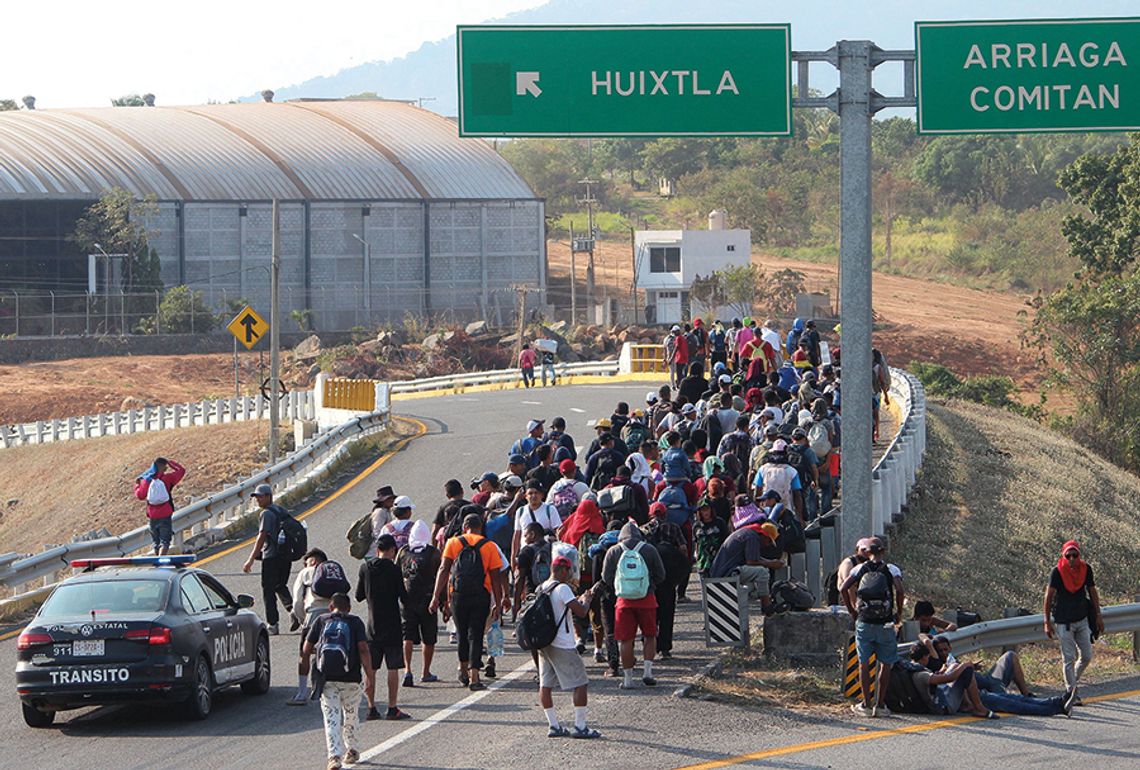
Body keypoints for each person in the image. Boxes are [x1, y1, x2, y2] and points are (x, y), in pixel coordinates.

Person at [430, 513, 504, 691]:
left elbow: (444, 569)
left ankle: (463, 671)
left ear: (464, 527)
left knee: (462, 633)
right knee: (476, 634)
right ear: (481, 528)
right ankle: (475, 677)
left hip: (458, 595)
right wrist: (499, 602)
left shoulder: (453, 543)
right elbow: (495, 577)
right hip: (481, 594)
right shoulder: (489, 546)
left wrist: (436, 597)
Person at [302, 593, 373, 770]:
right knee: (351, 714)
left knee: (331, 718)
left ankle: (334, 757)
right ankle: (352, 749)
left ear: (330, 607)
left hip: (326, 678)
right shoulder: (355, 622)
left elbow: (306, 648)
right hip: (351, 679)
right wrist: (369, 675)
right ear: (348, 608)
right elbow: (363, 649)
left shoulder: (321, 620)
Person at [536, 555, 602, 739]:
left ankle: (554, 726)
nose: (570, 575)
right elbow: (580, 612)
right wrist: (587, 600)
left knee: (546, 684)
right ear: (562, 570)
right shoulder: (562, 588)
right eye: (569, 571)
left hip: (544, 643)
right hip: (562, 644)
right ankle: (580, 726)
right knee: (580, 683)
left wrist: (577, 599)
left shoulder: (542, 587)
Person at [839, 537, 904, 717]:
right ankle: (880, 705)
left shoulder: (859, 568)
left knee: (863, 663)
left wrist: (852, 610)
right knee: (886, 664)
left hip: (864, 621)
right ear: (882, 552)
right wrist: (898, 612)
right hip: (885, 622)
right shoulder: (891, 569)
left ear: (868, 553)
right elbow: (899, 590)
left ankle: (866, 705)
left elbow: (843, 589)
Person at [601, 521, 667, 689]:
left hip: (623, 601)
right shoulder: (649, 549)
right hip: (647, 598)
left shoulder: (613, 551)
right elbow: (661, 575)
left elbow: (606, 577)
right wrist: (649, 585)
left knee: (625, 640)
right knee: (650, 635)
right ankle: (648, 672)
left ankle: (628, 679)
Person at [355, 534, 411, 721]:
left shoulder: (365, 568)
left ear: (377, 550)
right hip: (392, 624)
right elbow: (403, 596)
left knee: (370, 669)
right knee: (393, 667)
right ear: (392, 550)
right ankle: (392, 707)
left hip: (372, 625)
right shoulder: (395, 569)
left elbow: (359, 596)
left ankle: (371, 707)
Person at [288, 548, 351, 705]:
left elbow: (296, 600)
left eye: (306, 561)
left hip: (314, 614)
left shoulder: (306, 572)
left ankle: (302, 693)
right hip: (335, 614)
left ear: (313, 561)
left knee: (305, 652)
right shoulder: (334, 573)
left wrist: (302, 619)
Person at [1044, 539, 1103, 703]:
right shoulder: (1057, 572)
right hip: (1064, 622)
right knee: (1068, 658)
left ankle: (1072, 683)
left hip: (1082, 619)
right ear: (1064, 555)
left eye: (1074, 555)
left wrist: (1098, 615)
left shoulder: (1086, 569)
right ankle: (1071, 692)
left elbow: (1092, 592)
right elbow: (1048, 597)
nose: (1071, 559)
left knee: (1086, 656)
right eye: (1068, 555)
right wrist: (1047, 622)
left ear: (1079, 555)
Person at [242, 483, 295, 634]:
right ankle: (292, 610)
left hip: (271, 556)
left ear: (268, 497)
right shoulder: (280, 510)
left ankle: (273, 624)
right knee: (280, 585)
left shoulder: (266, 514)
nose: (257, 500)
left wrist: (251, 559)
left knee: (268, 591)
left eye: (260, 496)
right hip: (286, 555)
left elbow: (262, 536)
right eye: (256, 497)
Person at [641, 502, 689, 659]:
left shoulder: (644, 529)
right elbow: (683, 549)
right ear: (665, 513)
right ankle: (665, 649)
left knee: (650, 614)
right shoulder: (674, 527)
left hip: (650, 580)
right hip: (669, 578)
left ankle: (649, 645)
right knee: (667, 613)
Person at [397, 521, 441, 687]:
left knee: (407, 636)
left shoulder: (403, 552)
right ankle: (425, 671)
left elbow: (398, 573)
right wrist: (442, 600)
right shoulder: (433, 553)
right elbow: (440, 577)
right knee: (428, 638)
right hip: (428, 600)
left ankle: (407, 670)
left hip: (407, 601)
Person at [134, 456, 186, 556]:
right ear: (165, 468)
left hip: (152, 515)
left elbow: (140, 496)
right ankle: (161, 562)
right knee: (165, 542)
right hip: (166, 512)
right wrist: (170, 462)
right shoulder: (168, 478)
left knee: (156, 543)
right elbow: (181, 470)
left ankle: (158, 561)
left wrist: (137, 485)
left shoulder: (147, 481)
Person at [511, 481, 563, 568]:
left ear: (542, 495)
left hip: (544, 556)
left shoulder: (550, 509)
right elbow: (517, 536)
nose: (534, 496)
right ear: (525, 496)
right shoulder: (520, 511)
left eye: (536, 493)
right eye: (530, 493)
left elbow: (558, 531)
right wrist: (513, 557)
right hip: (525, 555)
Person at [432, 479, 471, 546]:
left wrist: (434, 548)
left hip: (449, 546)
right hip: (467, 544)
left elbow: (435, 530)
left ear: (447, 495)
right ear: (462, 491)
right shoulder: (470, 506)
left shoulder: (443, 508)